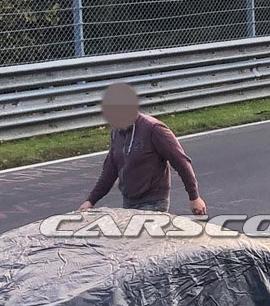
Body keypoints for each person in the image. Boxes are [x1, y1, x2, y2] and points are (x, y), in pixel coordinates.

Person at [79, 83, 208, 214]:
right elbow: (110, 171)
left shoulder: (154, 129)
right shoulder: (116, 133)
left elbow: (181, 162)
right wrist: (90, 201)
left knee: (142, 233)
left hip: (154, 202)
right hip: (129, 201)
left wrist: (194, 197)